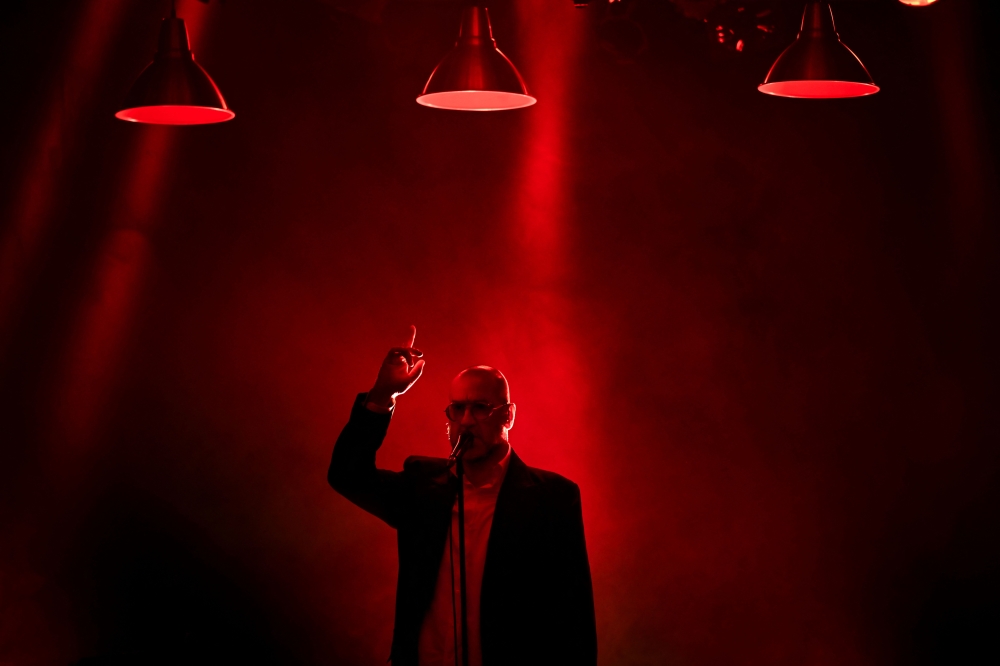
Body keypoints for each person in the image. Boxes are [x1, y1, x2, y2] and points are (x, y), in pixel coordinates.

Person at [328, 327, 597, 666]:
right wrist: (383, 394)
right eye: (457, 408)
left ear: (508, 415)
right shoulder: (424, 486)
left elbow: (574, 618)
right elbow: (346, 475)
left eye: (481, 408)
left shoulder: (553, 498)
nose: (466, 421)